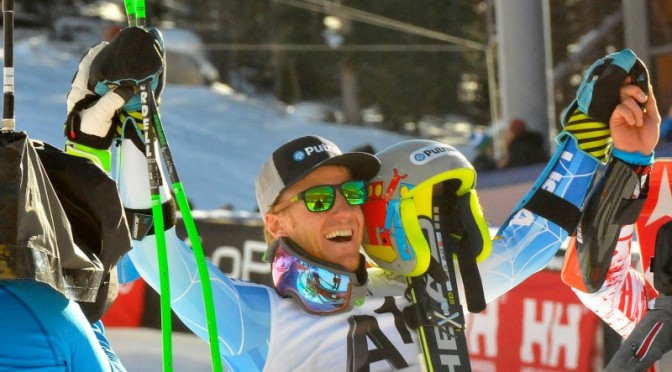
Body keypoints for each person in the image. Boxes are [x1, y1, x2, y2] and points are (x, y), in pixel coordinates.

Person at [64, 28, 659, 370]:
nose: (346, 210)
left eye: (350, 192)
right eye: (318, 202)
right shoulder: (260, 320)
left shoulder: (424, 287)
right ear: (274, 223)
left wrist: (589, 136)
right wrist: (135, 129)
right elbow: (155, 251)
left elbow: (535, 240)